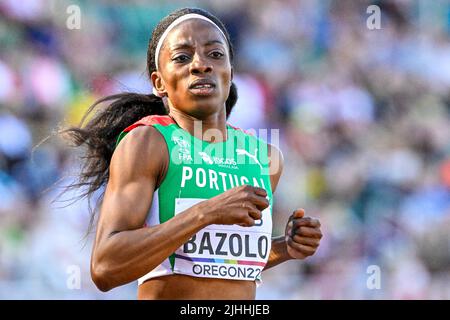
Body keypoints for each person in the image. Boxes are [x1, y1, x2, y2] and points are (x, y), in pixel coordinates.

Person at [64, 7, 322, 300]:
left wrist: (283, 249)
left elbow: (217, 266)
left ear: (230, 73)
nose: (201, 65)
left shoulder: (264, 157)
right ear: (159, 82)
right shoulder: (148, 142)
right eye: (182, 57)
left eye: (215, 54)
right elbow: (106, 267)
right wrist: (206, 213)